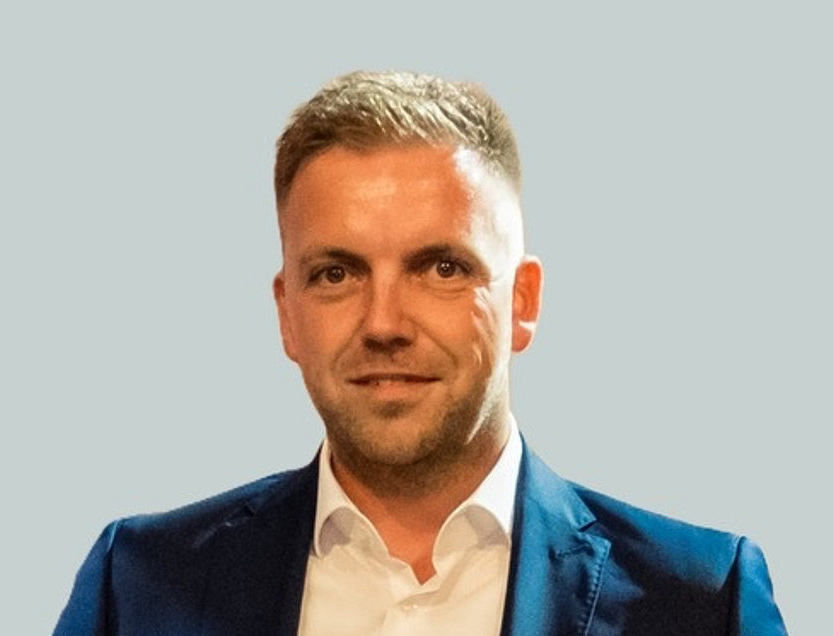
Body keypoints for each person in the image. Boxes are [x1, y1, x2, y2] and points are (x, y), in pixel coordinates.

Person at [53, 70, 788, 636]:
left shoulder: (700, 600)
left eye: (440, 267)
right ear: (287, 315)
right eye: (336, 274)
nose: (383, 323)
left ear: (522, 301)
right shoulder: (139, 585)